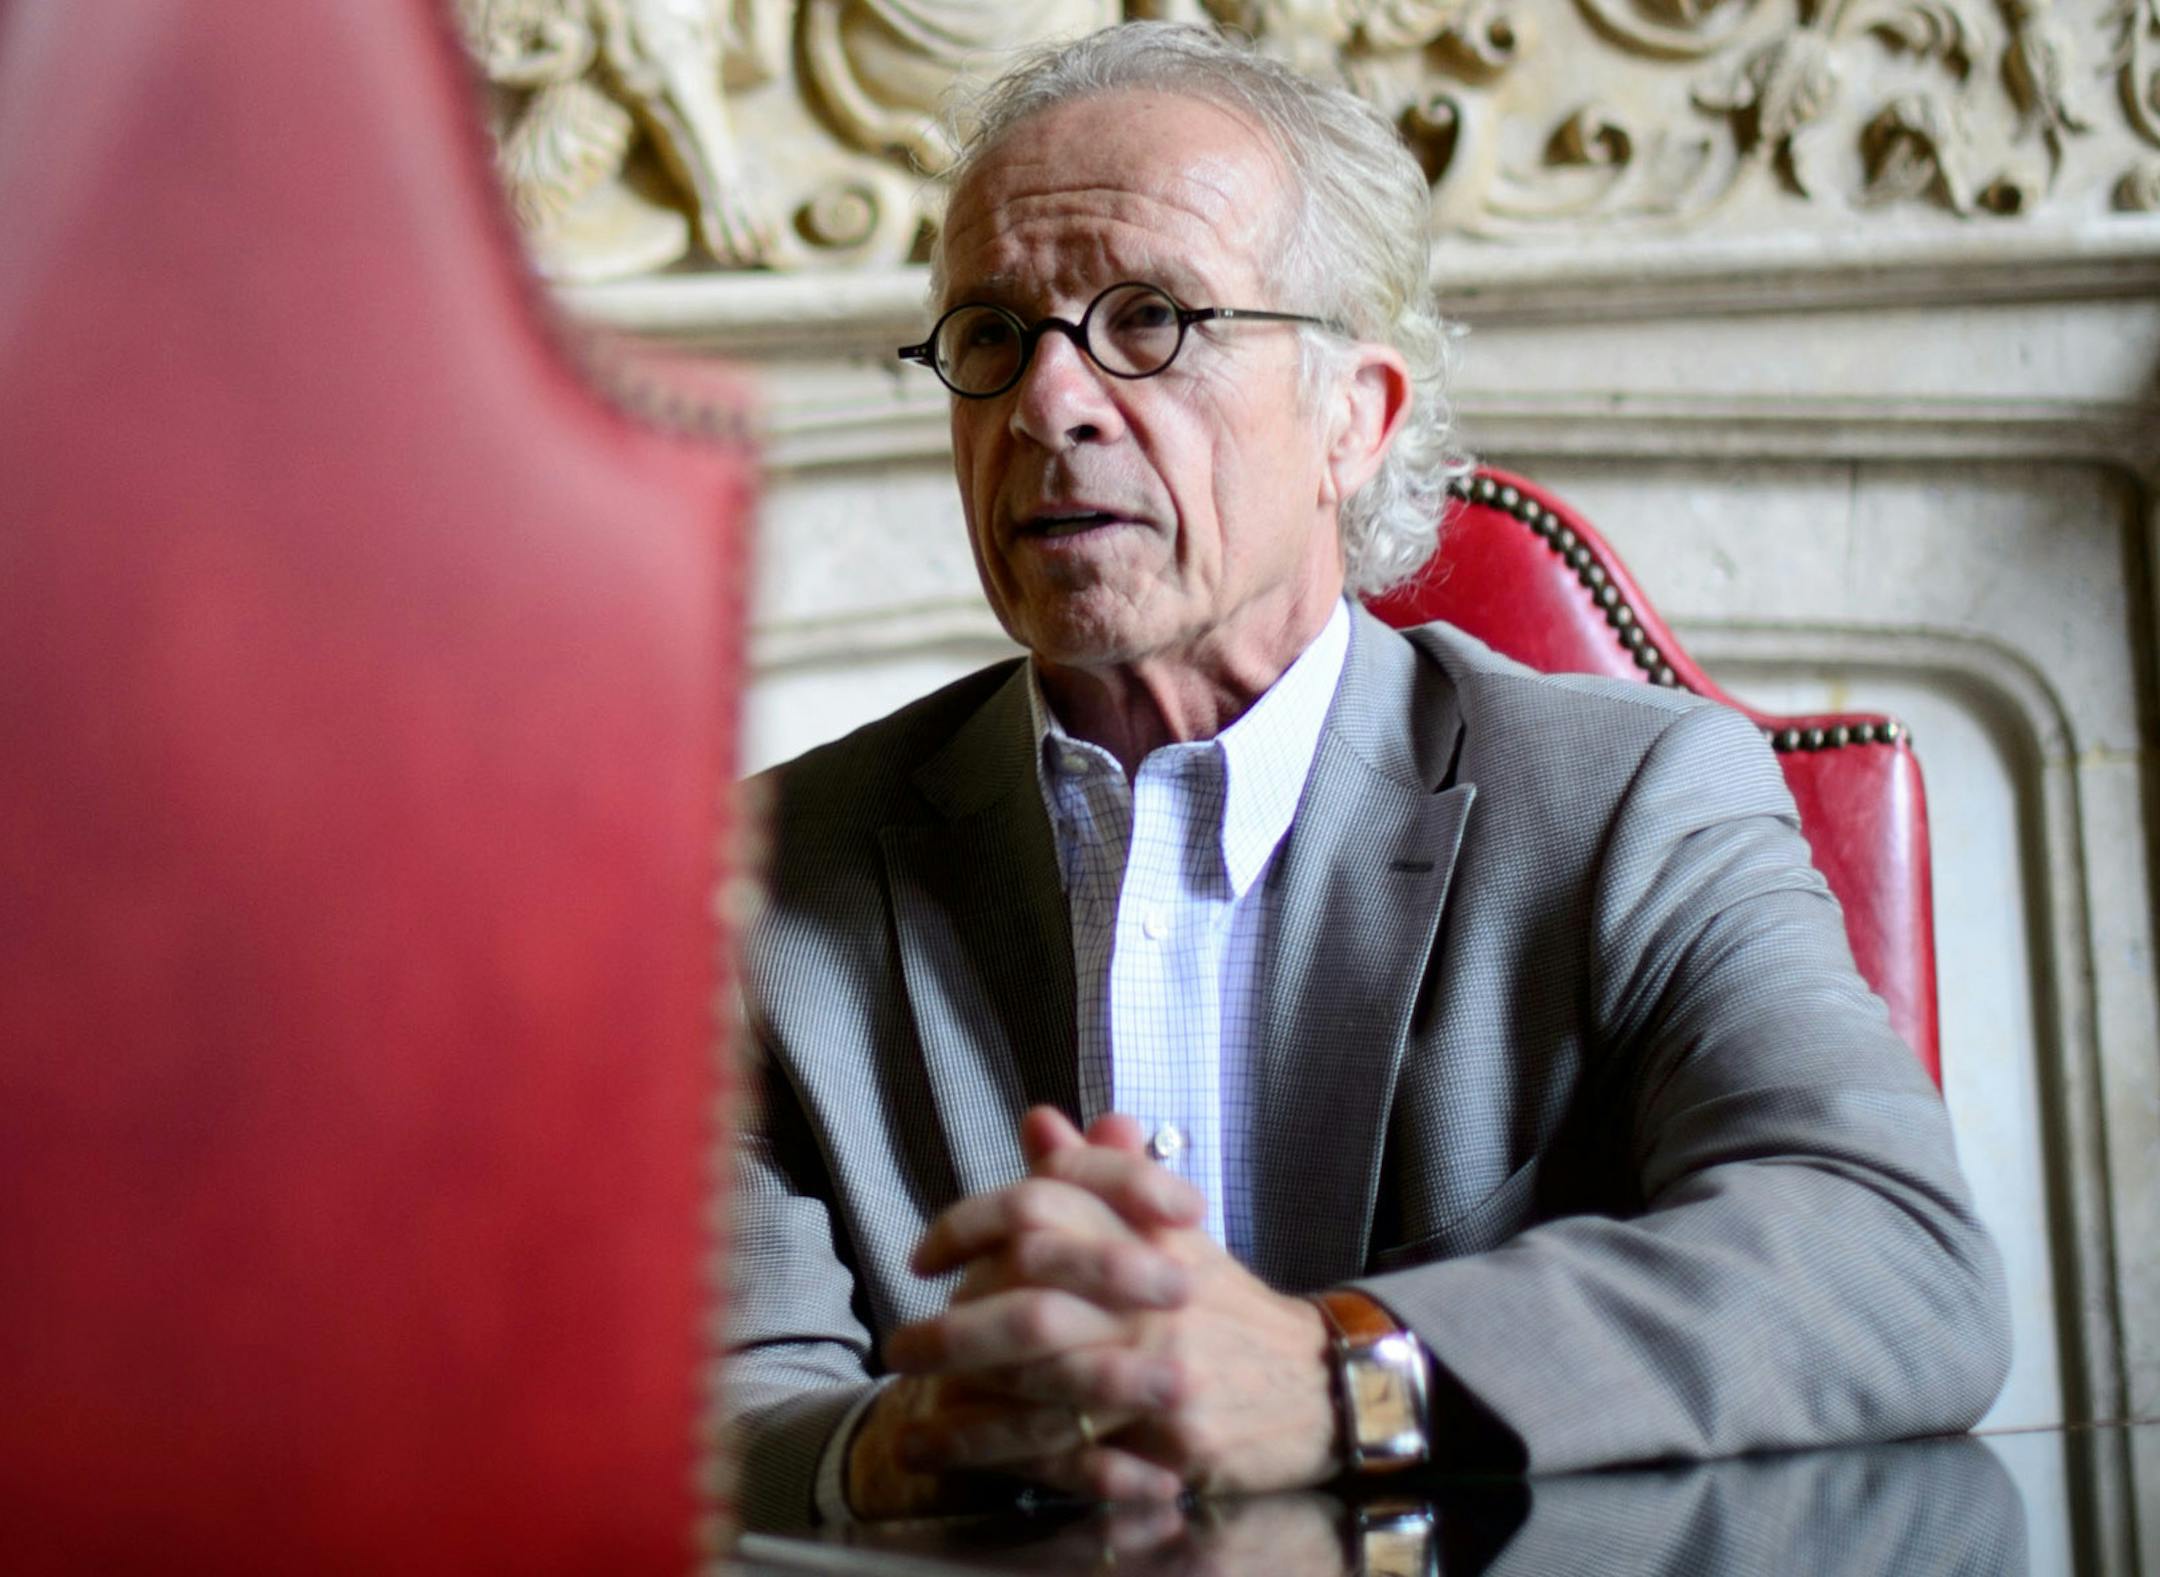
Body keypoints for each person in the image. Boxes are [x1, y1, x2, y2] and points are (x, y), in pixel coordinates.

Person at [725, 21, 2010, 1532]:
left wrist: (1341, 1373)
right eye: (994, 335)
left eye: (1148, 321)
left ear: (1356, 416)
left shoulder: (1634, 805)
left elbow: (1889, 1256)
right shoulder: (766, 880)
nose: (1049, 405)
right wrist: (893, 1443)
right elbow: (702, 1397)